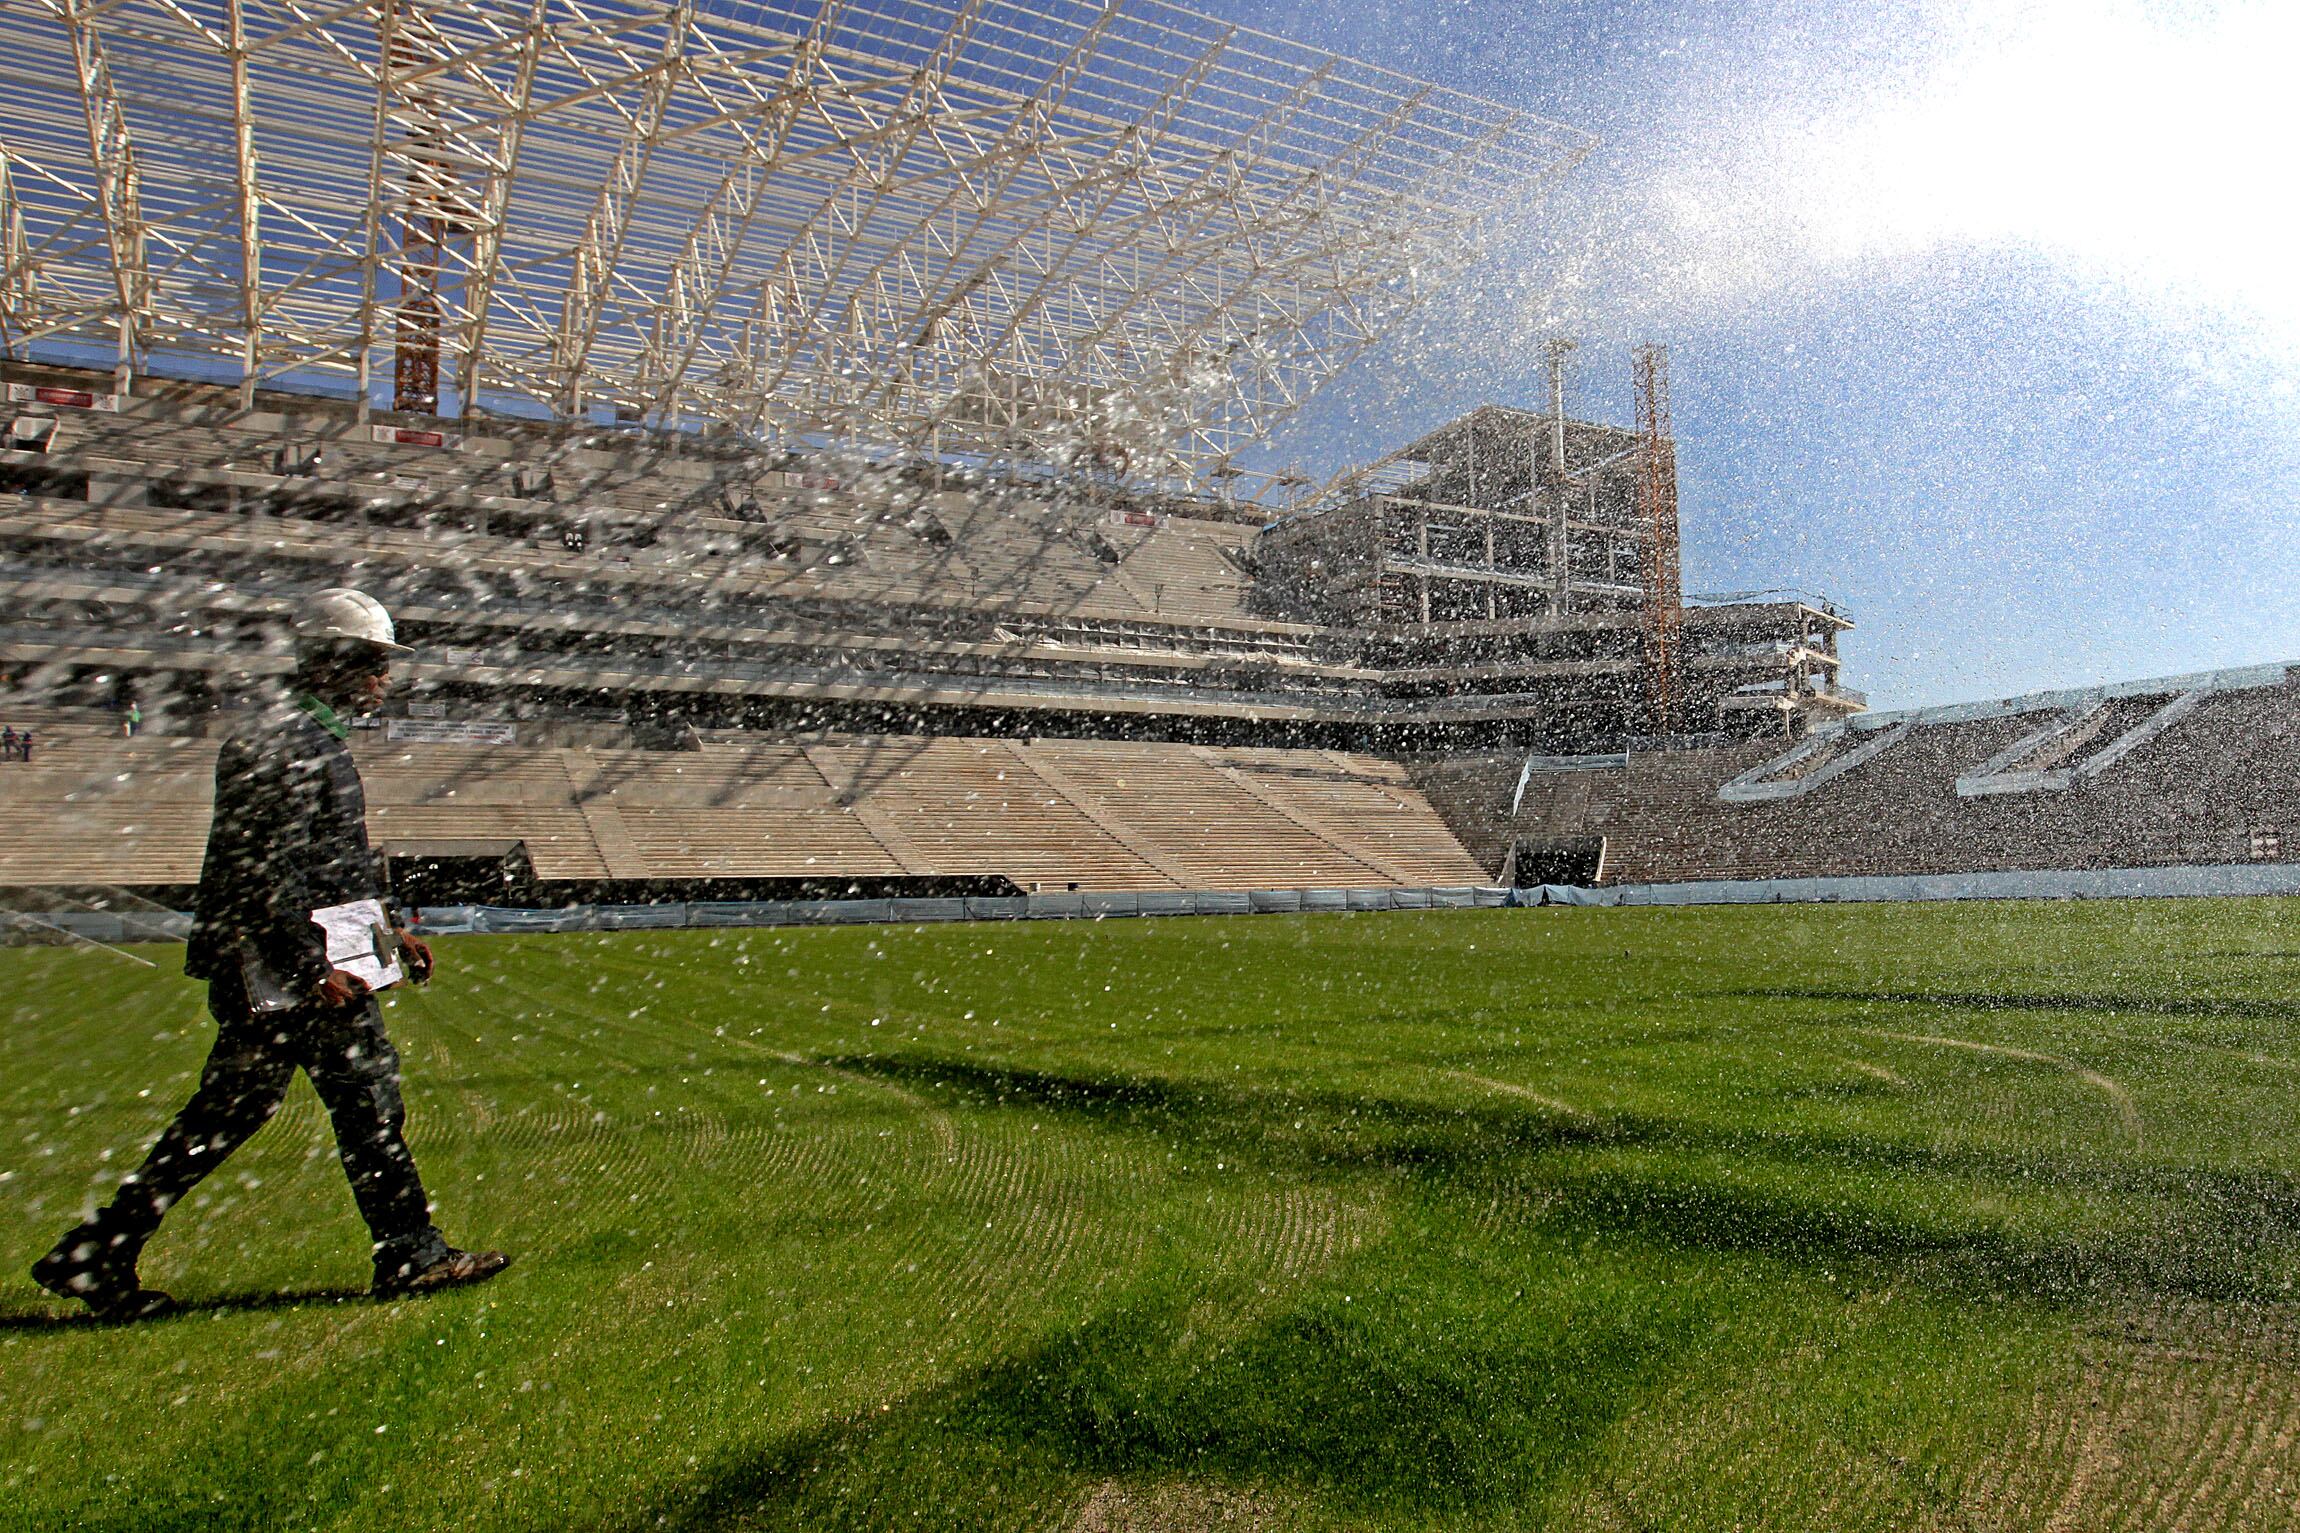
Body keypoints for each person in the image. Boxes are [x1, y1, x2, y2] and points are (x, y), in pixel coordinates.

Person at [32, 589, 508, 1320]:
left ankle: (99, 1250)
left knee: (228, 1114)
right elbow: (265, 870)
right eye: (375, 665)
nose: (384, 681)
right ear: (333, 661)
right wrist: (311, 967)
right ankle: (410, 1252)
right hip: (294, 974)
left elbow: (326, 869)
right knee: (366, 1108)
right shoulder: (287, 744)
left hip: (285, 965)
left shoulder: (299, 738)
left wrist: (389, 932)